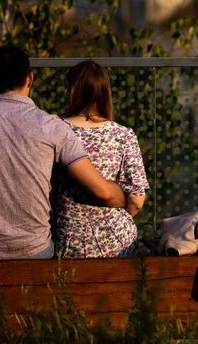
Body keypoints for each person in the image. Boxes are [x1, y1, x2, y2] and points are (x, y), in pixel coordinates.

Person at [0, 45, 127, 273]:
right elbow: (103, 192)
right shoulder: (53, 126)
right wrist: (122, 198)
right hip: (35, 252)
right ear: (30, 79)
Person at [54, 60, 150, 257]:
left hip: (68, 241)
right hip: (117, 242)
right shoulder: (123, 134)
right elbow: (137, 200)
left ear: (72, 90)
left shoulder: (55, 129)